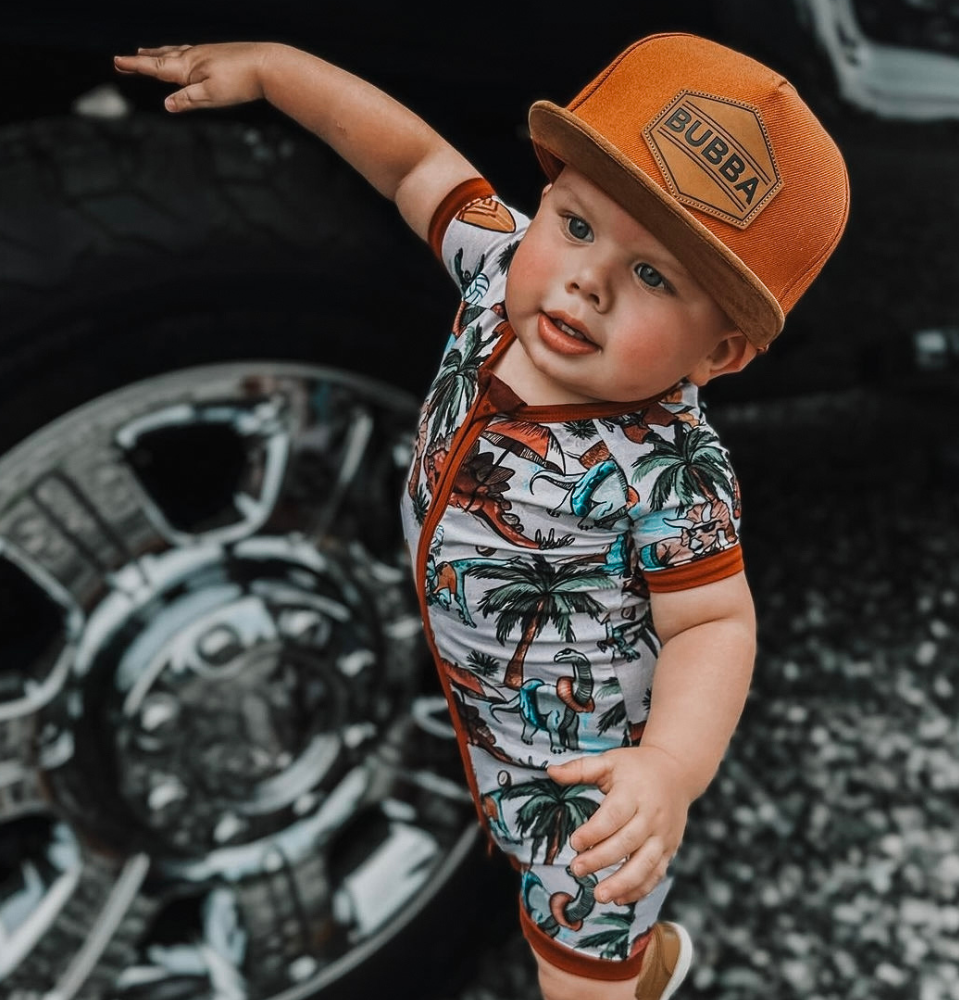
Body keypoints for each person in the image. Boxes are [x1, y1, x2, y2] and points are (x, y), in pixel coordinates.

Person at [114, 32, 849, 1000]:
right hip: (472, 699)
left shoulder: (674, 470)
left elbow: (713, 622)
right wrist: (277, 72)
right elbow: (413, 159)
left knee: (575, 963)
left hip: (580, 780)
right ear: (544, 198)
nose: (587, 279)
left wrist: (667, 769)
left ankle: (631, 970)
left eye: (656, 276)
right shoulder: (498, 270)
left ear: (720, 354)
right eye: (579, 225)